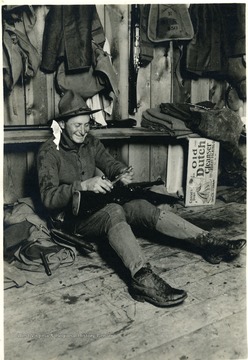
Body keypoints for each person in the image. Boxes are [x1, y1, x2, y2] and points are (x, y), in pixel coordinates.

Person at [37, 90, 246, 308]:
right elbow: (48, 199)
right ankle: (141, 279)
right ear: (62, 124)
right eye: (76, 125)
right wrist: (82, 185)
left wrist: (121, 173)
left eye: (86, 124)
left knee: (140, 206)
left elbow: (109, 163)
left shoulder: (90, 142)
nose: (83, 130)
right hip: (70, 221)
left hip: (92, 207)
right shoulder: (49, 152)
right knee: (114, 212)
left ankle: (207, 242)